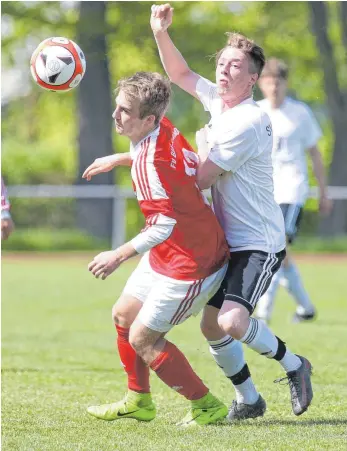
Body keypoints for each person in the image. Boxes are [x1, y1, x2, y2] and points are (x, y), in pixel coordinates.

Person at [150, 3, 313, 421]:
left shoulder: (246, 121)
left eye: (234, 66)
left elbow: (201, 178)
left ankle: (295, 365)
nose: (223, 71)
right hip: (229, 239)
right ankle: (250, 399)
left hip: (258, 242)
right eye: (221, 63)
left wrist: (172, 153)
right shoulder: (220, 105)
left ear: (253, 79)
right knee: (211, 326)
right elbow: (181, 75)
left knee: (232, 322)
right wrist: (159, 31)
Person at [83, 72, 230, 427]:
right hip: (174, 249)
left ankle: (207, 406)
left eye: (125, 111)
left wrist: (117, 255)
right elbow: (178, 165)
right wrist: (119, 158)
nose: (116, 115)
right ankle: (138, 400)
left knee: (143, 339)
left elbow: (163, 225)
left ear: (149, 119)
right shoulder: (162, 130)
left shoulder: (151, 160)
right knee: (123, 314)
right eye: (117, 107)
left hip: (193, 261)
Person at [256, 58, 331, 323]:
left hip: (292, 189)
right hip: (264, 192)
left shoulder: (300, 113)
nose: (274, 86)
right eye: (269, 81)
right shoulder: (256, 111)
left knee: (278, 247)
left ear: (285, 83)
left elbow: (316, 155)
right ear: (260, 83)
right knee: (278, 251)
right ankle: (306, 308)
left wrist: (323, 192)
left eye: (278, 81)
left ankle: (263, 313)